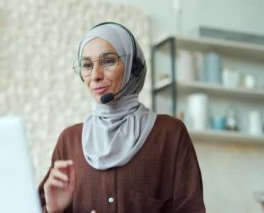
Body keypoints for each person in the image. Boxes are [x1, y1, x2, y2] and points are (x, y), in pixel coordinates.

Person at [38, 22, 205, 213]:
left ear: (133, 68)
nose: (95, 75)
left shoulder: (169, 134)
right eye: (86, 65)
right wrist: (53, 210)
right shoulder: (69, 140)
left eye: (108, 61)